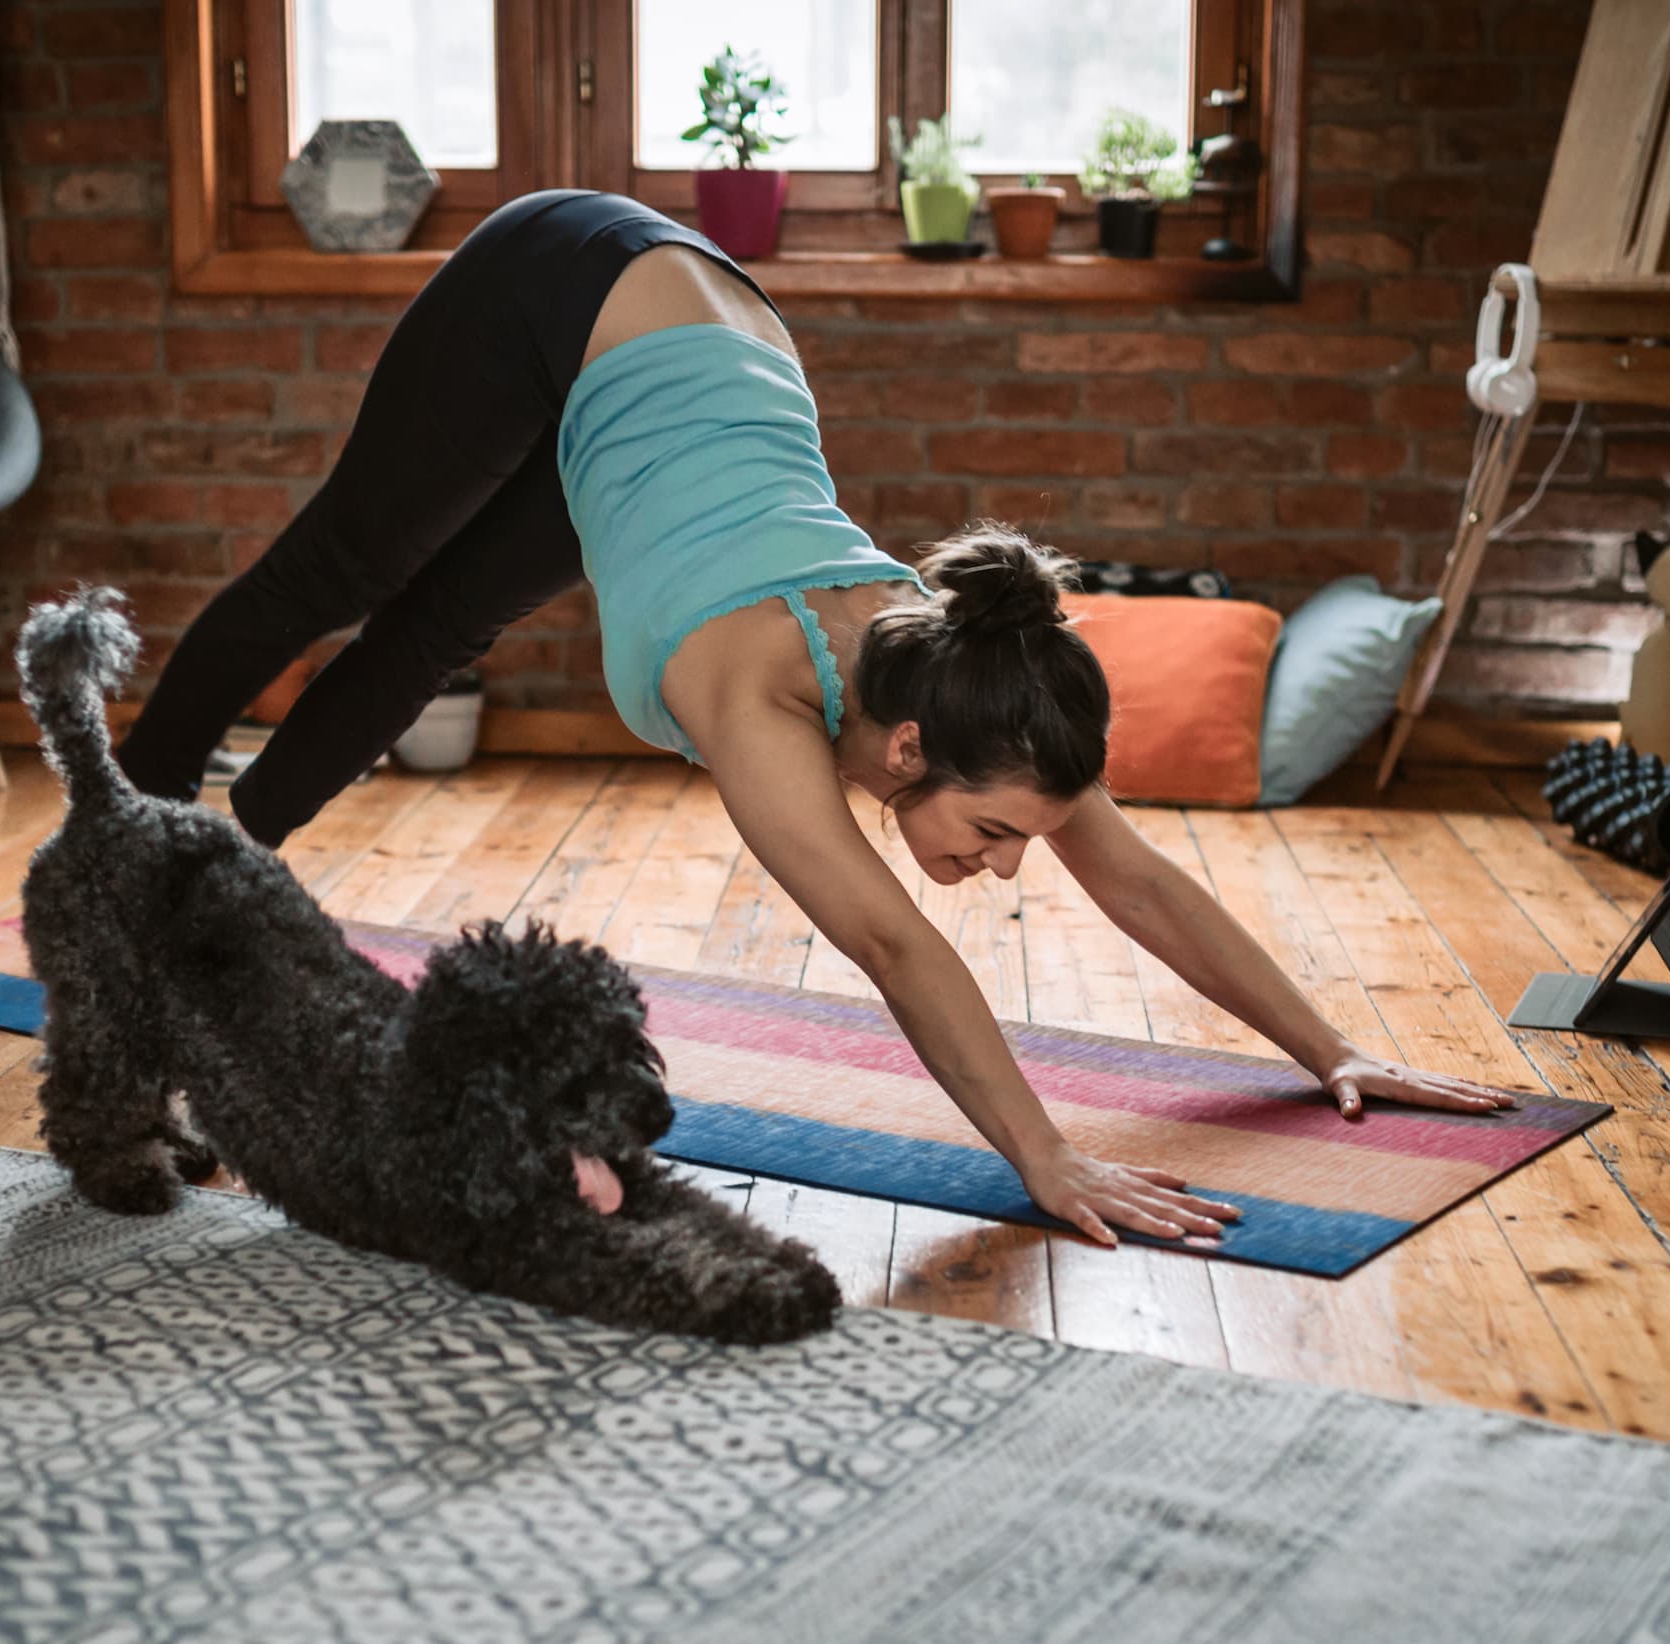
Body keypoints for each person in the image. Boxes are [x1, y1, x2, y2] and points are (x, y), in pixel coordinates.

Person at [116, 189, 1522, 1247]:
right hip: (567, 283)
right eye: (995, 834)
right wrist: (1045, 1159)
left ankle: (223, 849)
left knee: (439, 627)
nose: (1012, 864)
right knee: (348, 574)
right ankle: (127, 829)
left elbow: (1135, 873)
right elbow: (896, 944)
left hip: (696, 348)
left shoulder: (977, 692)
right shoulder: (759, 698)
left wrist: (1327, 1048)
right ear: (907, 753)